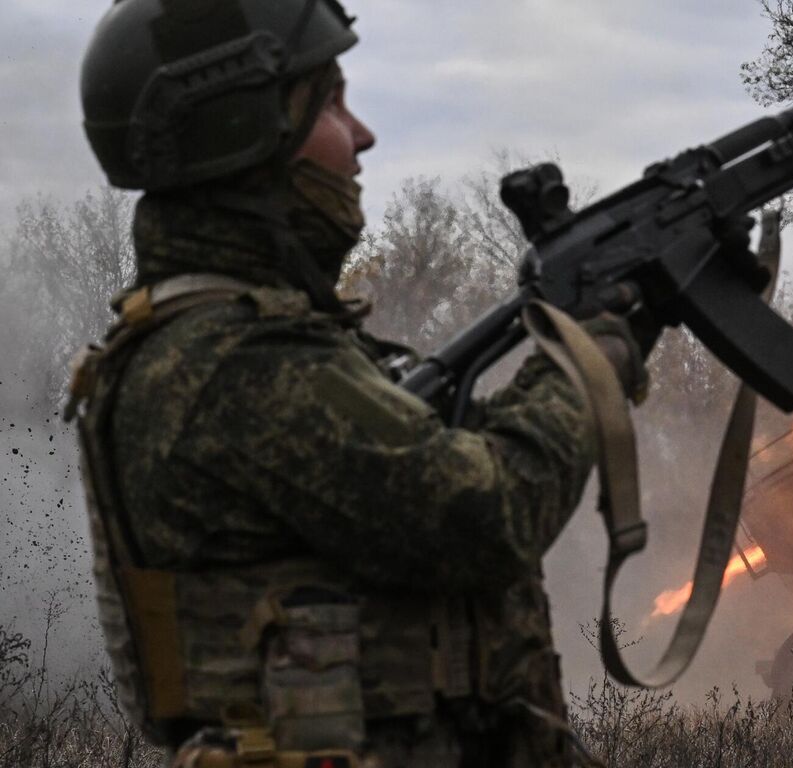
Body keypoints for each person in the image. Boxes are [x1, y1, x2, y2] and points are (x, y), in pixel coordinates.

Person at [68, 1, 649, 764]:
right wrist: (590, 354)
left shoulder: (233, 342)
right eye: (332, 103)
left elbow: (439, 473)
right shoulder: (239, 366)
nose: (364, 135)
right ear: (251, 134)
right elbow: (487, 511)